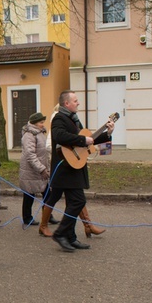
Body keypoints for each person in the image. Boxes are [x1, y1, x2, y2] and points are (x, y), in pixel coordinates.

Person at [47, 90, 114, 252]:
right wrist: (83, 139)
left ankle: (70, 237)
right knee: (78, 201)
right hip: (65, 167)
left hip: (74, 166)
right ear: (66, 104)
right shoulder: (59, 118)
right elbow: (60, 136)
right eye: (75, 100)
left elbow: (90, 138)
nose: (78, 103)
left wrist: (108, 133)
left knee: (74, 202)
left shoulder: (74, 120)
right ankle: (61, 233)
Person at [19, 112, 50, 228]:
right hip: (31, 171)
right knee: (29, 195)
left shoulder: (40, 132)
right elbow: (30, 154)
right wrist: (41, 169)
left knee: (47, 193)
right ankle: (27, 218)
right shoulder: (29, 135)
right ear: (34, 123)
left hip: (40, 169)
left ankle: (47, 216)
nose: (43, 124)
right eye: (41, 122)